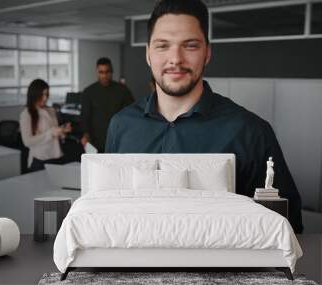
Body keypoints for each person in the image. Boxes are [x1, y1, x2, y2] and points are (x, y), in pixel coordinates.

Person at [105, 0, 303, 233]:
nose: (175, 58)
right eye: (162, 45)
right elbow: (105, 212)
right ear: (148, 54)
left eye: (190, 45)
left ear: (207, 53)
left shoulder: (251, 132)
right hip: (130, 265)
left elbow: (287, 229)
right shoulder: (121, 126)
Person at [80, 57, 134, 153]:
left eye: (107, 72)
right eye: (101, 72)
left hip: (119, 140)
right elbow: (85, 116)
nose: (104, 75)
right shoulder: (88, 92)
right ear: (97, 72)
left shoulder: (122, 90)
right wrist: (85, 134)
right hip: (96, 142)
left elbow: (132, 113)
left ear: (112, 71)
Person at [20, 79, 72, 172]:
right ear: (34, 95)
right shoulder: (27, 114)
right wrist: (51, 133)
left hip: (56, 156)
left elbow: (55, 132)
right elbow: (27, 142)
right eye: (42, 95)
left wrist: (62, 131)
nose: (45, 98)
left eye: (47, 94)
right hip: (40, 160)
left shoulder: (51, 110)